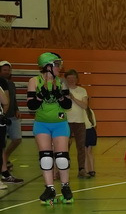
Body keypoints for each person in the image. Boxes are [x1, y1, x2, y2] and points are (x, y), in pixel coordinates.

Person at [27, 52, 73, 204]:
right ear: (48, 66)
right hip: (42, 124)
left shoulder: (61, 82)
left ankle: (65, 187)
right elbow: (31, 105)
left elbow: (68, 105)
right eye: (57, 65)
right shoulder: (34, 81)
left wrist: (59, 96)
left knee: (62, 158)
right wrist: (41, 96)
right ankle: (50, 188)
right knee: (46, 158)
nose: (60, 67)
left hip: (60, 123)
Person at [0, 60, 23, 184]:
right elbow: (5, 101)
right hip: (3, 117)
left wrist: (16, 109)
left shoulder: (9, 83)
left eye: (8, 70)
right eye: (4, 70)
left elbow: (10, 99)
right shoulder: (2, 83)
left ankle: (5, 166)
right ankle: (4, 171)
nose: (7, 72)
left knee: (15, 140)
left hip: (9, 117)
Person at [63, 69, 89, 178]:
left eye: (73, 78)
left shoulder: (82, 91)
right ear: (66, 79)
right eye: (69, 78)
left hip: (80, 122)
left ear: (77, 79)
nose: (71, 80)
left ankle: (81, 169)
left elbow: (85, 106)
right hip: (66, 122)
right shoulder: (62, 90)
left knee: (81, 147)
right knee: (64, 147)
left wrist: (73, 98)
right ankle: (62, 169)